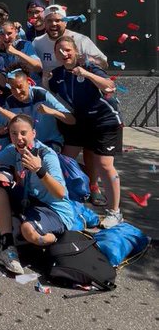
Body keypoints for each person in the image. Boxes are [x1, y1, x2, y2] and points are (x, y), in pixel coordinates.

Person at [0, 115, 72, 275]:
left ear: (34, 133)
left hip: (54, 209)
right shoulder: (13, 150)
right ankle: (6, 245)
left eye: (23, 133)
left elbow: (60, 193)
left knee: (28, 230)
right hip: (29, 201)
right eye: (14, 133)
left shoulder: (47, 155)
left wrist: (39, 170)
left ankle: (55, 238)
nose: (19, 138)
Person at [49, 34, 123, 228]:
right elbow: (51, 96)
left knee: (104, 165)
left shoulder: (90, 67)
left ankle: (115, 212)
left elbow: (110, 87)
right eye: (60, 51)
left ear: (76, 52)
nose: (65, 53)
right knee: (65, 159)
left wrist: (86, 74)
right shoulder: (57, 76)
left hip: (103, 120)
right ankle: (69, 202)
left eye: (68, 50)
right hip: (79, 121)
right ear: (56, 54)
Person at [0, 71, 75, 150]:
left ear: (29, 82)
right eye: (13, 88)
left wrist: (52, 111)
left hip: (50, 143)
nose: (17, 92)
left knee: (35, 158)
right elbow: (11, 127)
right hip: (26, 145)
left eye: (20, 87)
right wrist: (3, 132)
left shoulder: (42, 94)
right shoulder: (10, 102)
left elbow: (71, 120)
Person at [32, 4, 107, 81]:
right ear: (44, 23)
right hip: (49, 88)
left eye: (58, 20)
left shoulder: (81, 40)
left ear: (65, 22)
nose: (53, 24)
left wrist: (88, 60)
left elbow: (104, 64)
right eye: (49, 21)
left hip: (78, 87)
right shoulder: (37, 42)